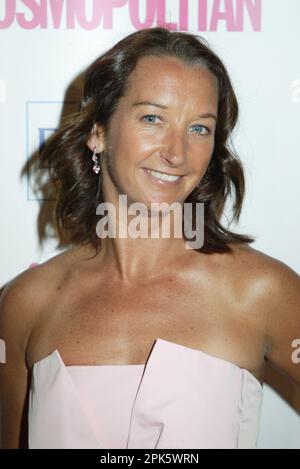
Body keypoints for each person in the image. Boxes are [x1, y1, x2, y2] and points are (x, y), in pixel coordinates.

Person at [0, 27, 299, 449]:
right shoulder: (27, 303)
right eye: (153, 119)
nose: (177, 153)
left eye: (199, 128)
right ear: (98, 131)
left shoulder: (261, 292)